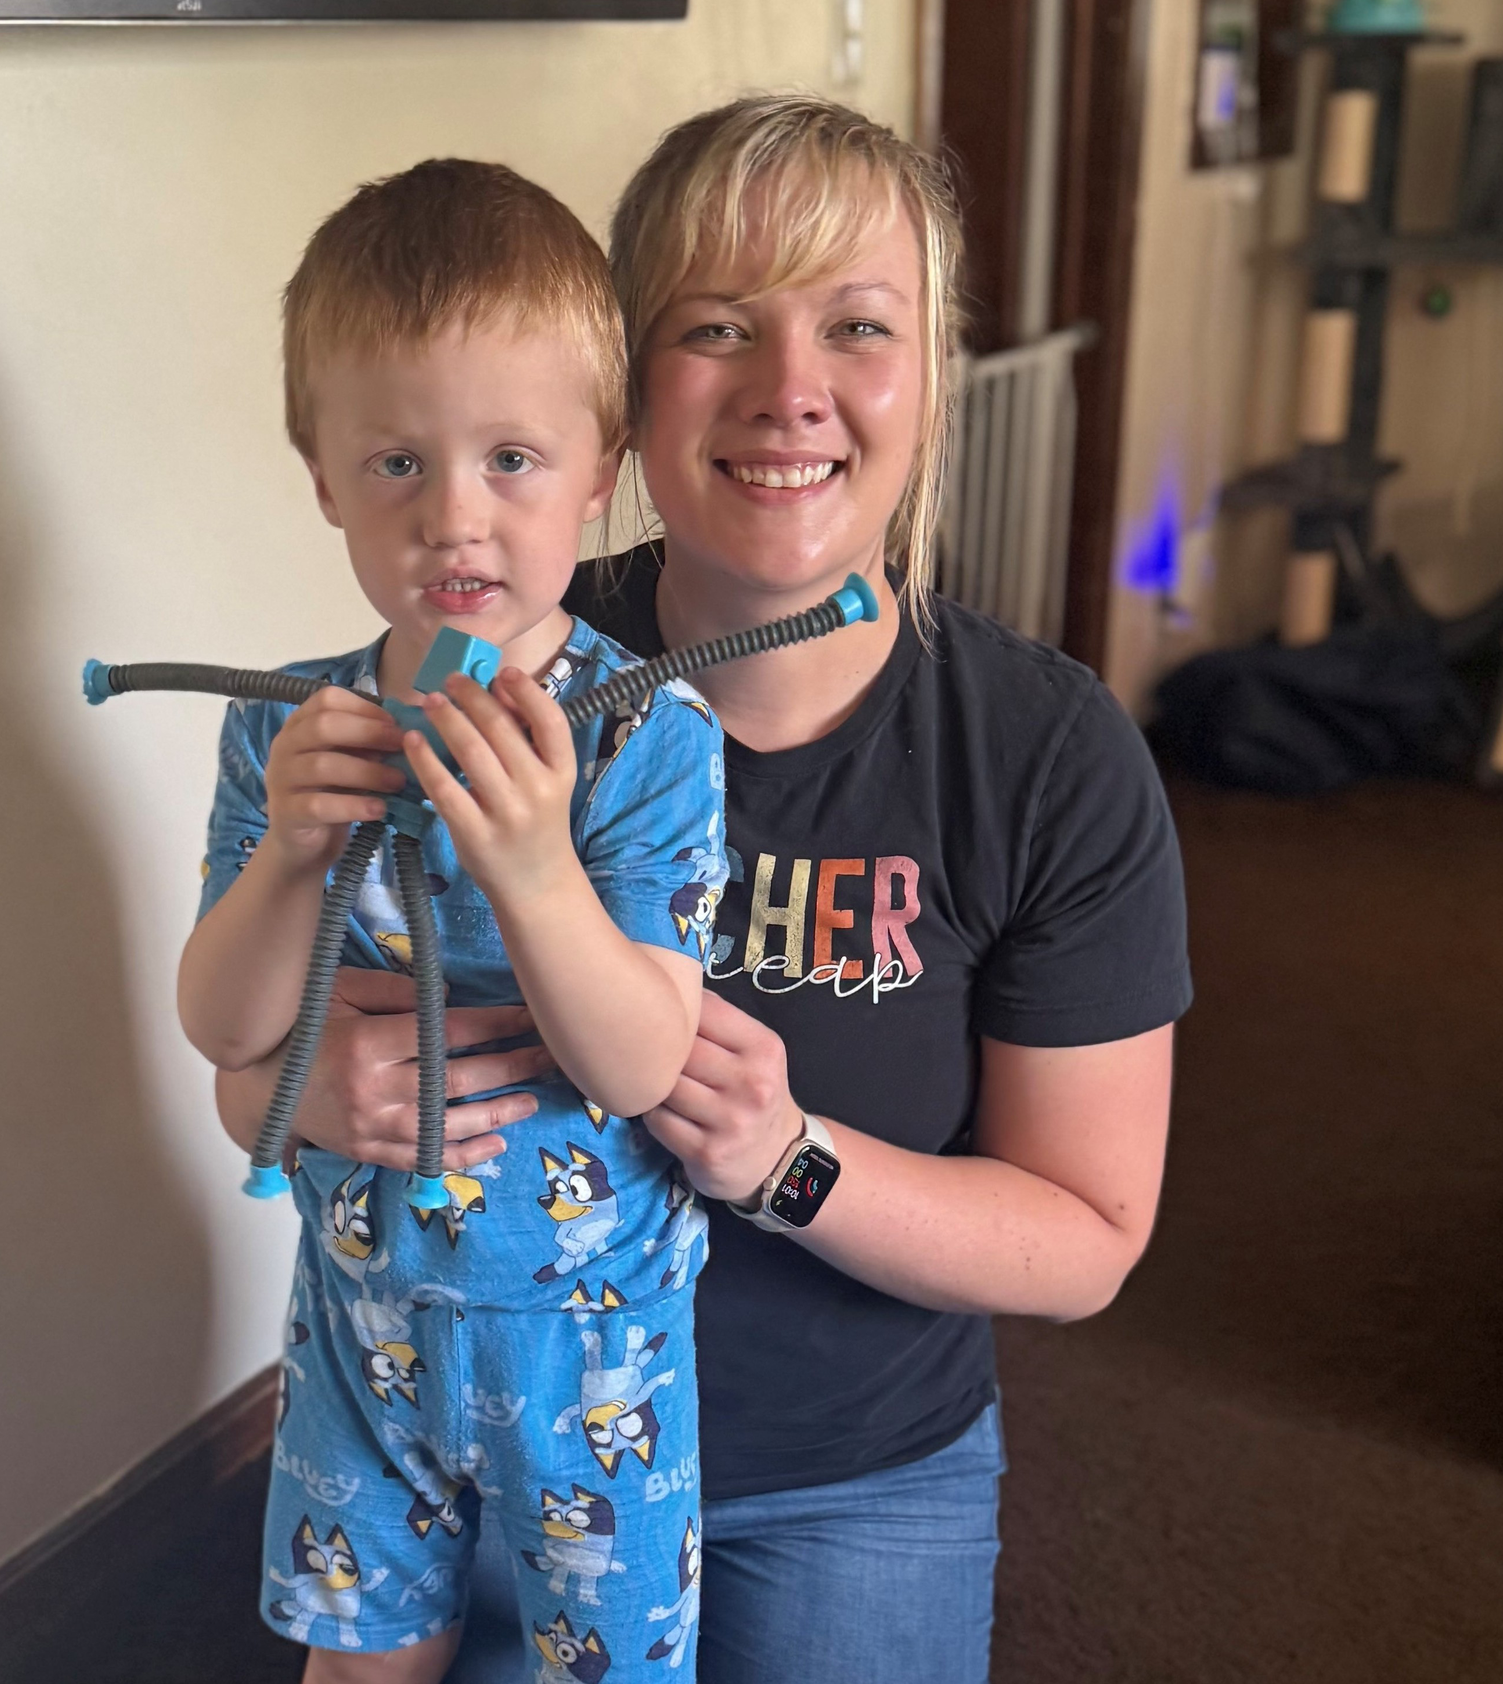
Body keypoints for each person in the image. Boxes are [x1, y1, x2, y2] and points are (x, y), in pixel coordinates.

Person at [217, 97, 1190, 1684]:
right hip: (455, 1429)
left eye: (858, 327)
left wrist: (789, 1162)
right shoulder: (491, 643)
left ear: (928, 377)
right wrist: (293, 1084)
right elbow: (253, 1038)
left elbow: (1086, 1238)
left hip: (847, 1474)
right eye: (719, 327)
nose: (791, 393)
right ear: (621, 397)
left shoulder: (1041, 752)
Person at [181, 158, 732, 1683]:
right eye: (397, 465)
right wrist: (293, 856)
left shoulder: (652, 737)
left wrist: (540, 870)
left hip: (589, 1329)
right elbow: (226, 1029)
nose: (456, 518)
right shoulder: (285, 732)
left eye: (511, 458)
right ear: (322, 479)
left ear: (601, 467)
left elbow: (637, 1063)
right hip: (360, 1321)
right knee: (357, 1661)